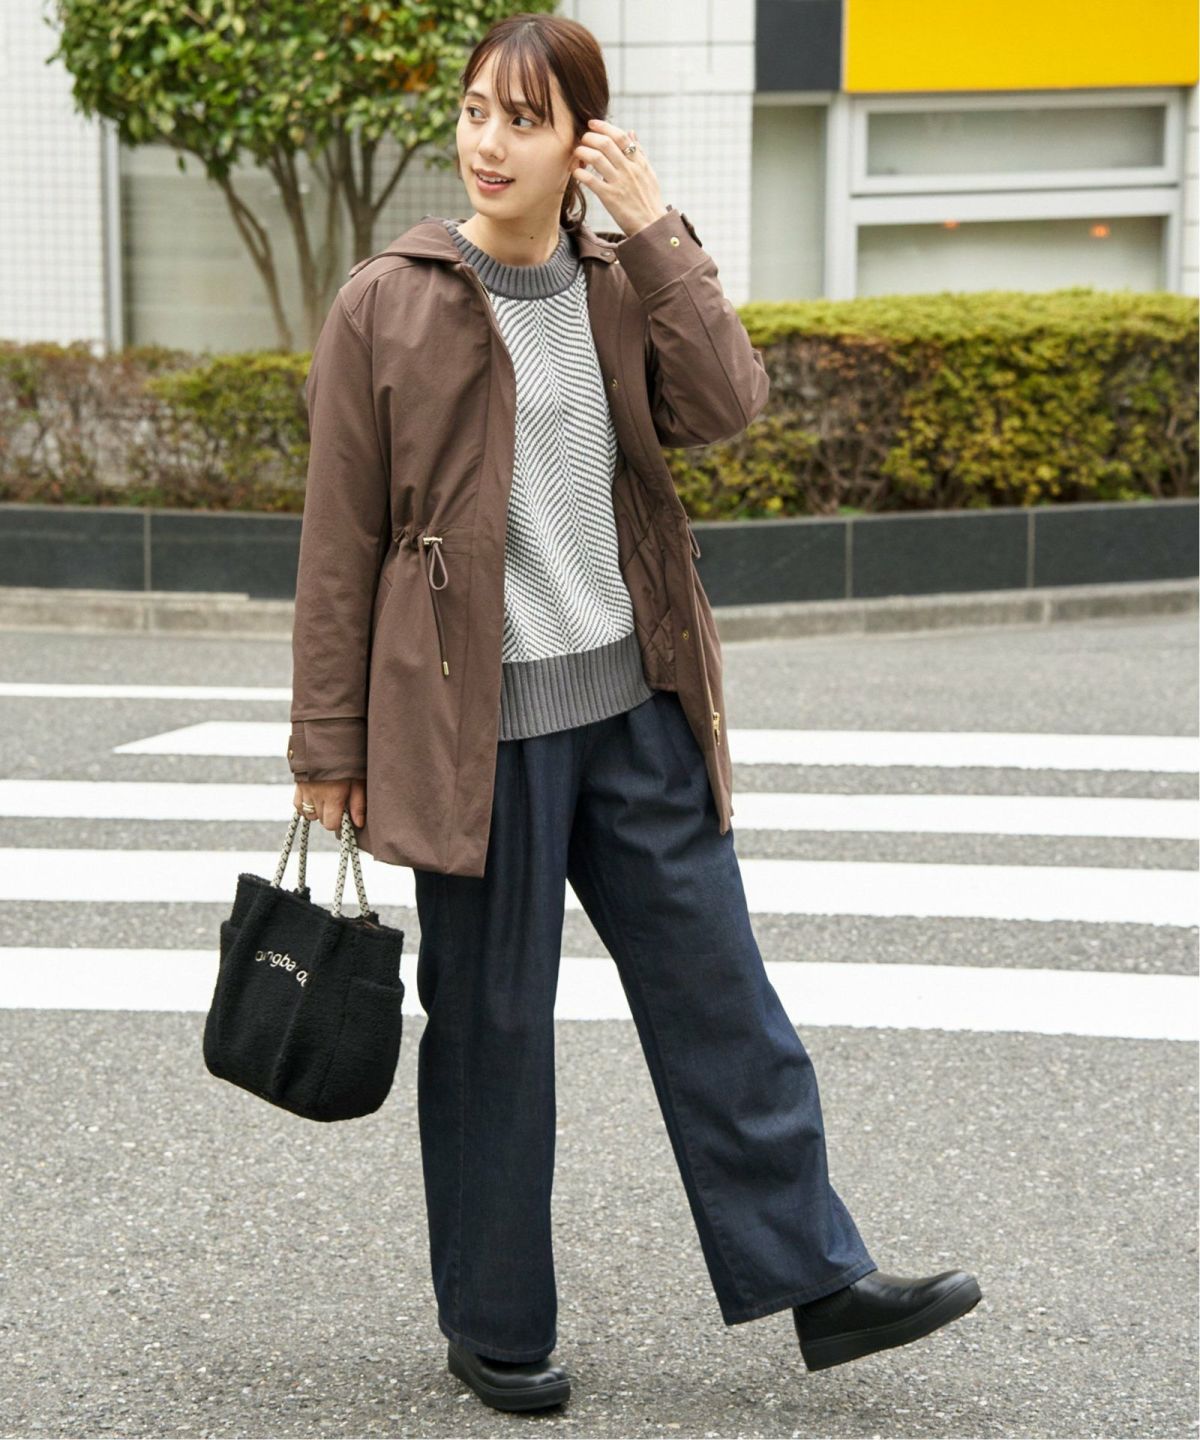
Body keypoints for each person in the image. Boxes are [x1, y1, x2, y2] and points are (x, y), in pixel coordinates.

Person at [288, 11, 981, 1415]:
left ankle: (820, 1276)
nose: (488, 142)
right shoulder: (387, 303)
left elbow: (726, 402)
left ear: (582, 143)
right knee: (492, 1029)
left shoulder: (616, 282)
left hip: (633, 710)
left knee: (721, 995)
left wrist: (659, 233)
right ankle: (493, 1322)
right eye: (475, 111)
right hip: (474, 732)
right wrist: (328, 749)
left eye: (524, 119)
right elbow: (337, 539)